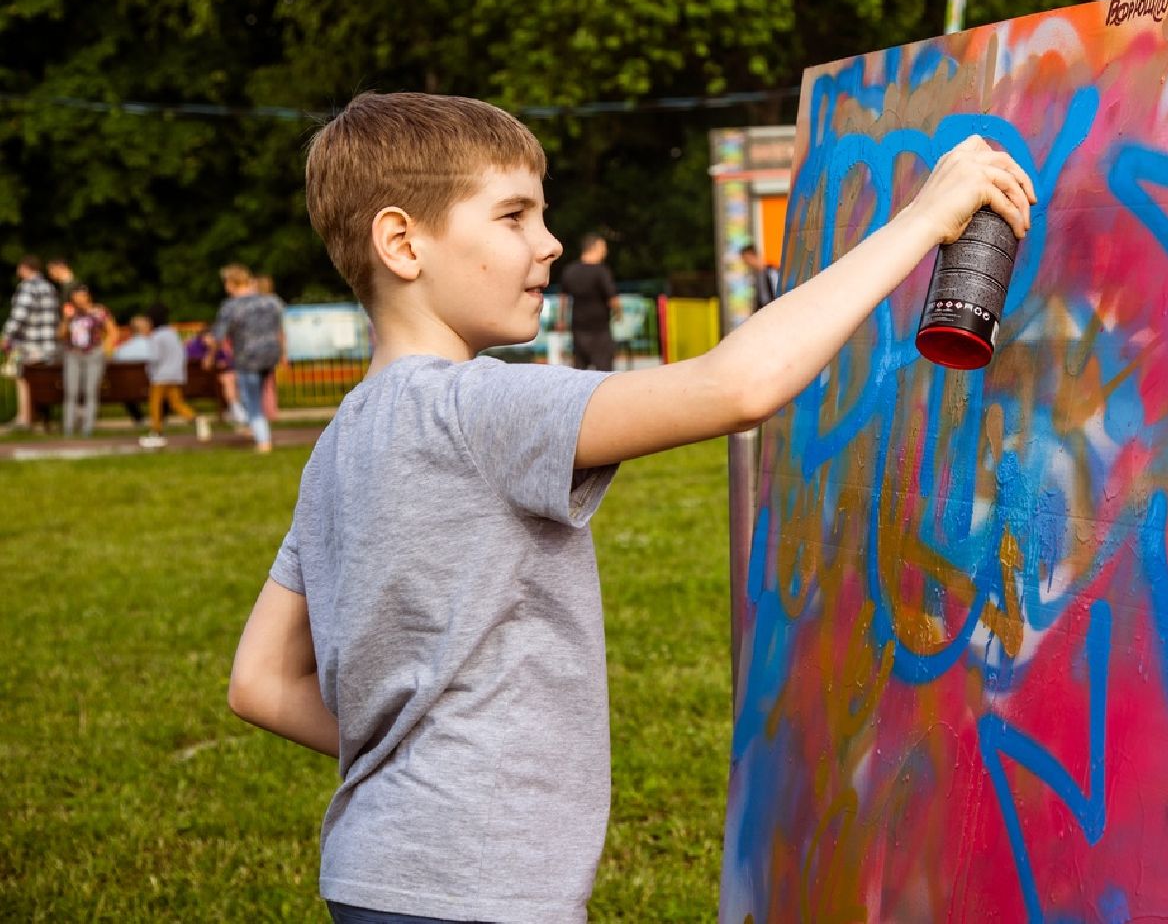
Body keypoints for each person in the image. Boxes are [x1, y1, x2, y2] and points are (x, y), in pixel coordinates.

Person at [225, 91, 1033, 924]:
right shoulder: (478, 408)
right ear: (402, 243)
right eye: (513, 218)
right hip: (478, 893)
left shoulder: (340, 444)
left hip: (373, 874)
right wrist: (923, 221)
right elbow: (737, 386)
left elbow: (257, 683)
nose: (549, 243)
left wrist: (411, 750)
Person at [210, 263, 283, 452]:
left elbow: (218, 336)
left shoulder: (231, 306)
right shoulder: (272, 302)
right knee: (256, 394)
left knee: (251, 400)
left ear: (231, 283)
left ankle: (263, 440)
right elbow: (279, 329)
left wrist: (211, 355)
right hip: (270, 355)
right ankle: (254, 427)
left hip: (247, 357)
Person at [2, 255, 61, 431]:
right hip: (48, 343)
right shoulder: (48, 287)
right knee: (40, 381)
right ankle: (39, 417)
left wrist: (6, 336)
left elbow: (19, 316)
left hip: (30, 343)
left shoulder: (27, 287)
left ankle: (25, 418)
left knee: (24, 379)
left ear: (25, 268)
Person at [139, 303, 206, 448]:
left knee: (155, 403)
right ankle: (195, 418)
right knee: (176, 402)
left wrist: (148, 369)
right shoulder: (172, 333)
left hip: (160, 375)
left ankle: (157, 432)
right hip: (175, 374)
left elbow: (155, 357)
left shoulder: (156, 337)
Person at [59, 283, 116, 437]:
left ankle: (87, 428)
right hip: (73, 354)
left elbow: (112, 331)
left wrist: (106, 349)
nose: (79, 299)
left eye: (81, 295)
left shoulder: (99, 312)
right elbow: (61, 334)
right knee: (71, 391)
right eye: (76, 296)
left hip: (93, 354)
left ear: (87, 296)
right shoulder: (71, 313)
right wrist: (65, 319)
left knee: (90, 391)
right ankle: (68, 428)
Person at [557, 232, 619, 371]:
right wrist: (618, 314)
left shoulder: (570, 270)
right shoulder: (601, 271)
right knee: (603, 370)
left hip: (578, 326)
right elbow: (613, 298)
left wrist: (561, 319)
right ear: (595, 247)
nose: (605, 252)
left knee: (580, 367)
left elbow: (563, 298)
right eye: (603, 248)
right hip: (600, 328)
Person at [254, 274, 286, 421]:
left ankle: (258, 411)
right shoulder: (276, 302)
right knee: (269, 381)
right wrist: (283, 352)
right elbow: (280, 329)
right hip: (271, 346)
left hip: (254, 346)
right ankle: (271, 411)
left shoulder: (251, 303)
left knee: (253, 381)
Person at [739, 242, 780, 310]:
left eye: (746, 259)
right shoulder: (754, 276)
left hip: (774, 308)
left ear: (752, 256)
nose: (746, 263)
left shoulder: (772, 271)